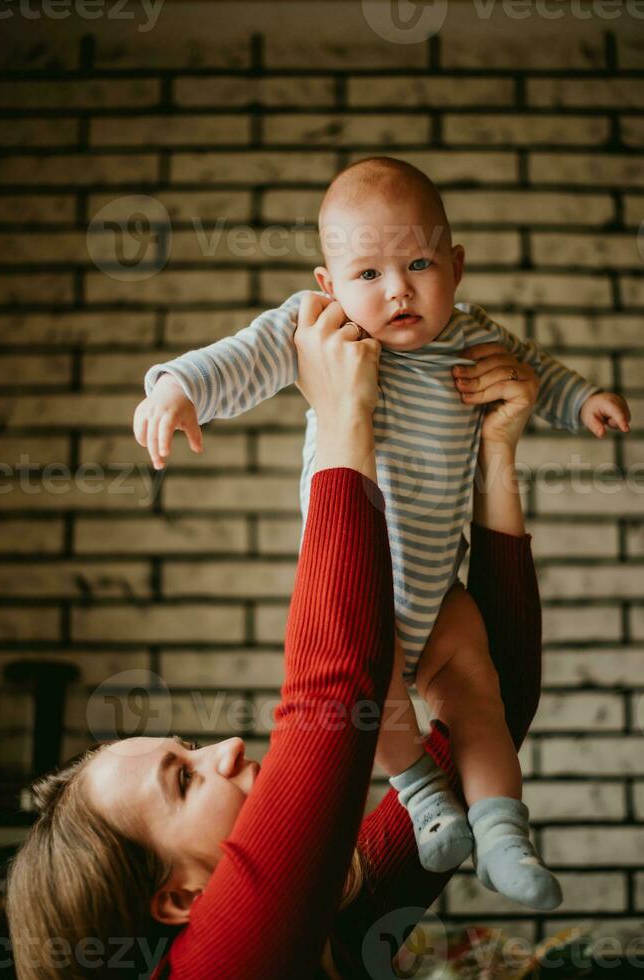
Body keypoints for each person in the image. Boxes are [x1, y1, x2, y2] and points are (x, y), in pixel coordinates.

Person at [133, 157, 631, 906]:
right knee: (377, 708)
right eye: (368, 272)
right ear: (330, 285)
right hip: (362, 586)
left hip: (440, 588)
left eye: (420, 262)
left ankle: (502, 833)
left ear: (456, 268)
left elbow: (535, 371)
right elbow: (244, 356)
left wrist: (583, 399)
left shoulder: (472, 338)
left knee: (480, 696)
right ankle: (424, 797)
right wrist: (177, 388)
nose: (398, 289)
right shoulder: (324, 326)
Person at [9, 296, 545, 980]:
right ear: (178, 898)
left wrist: (495, 448)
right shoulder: (220, 967)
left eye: (192, 750)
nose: (228, 749)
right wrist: (342, 416)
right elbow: (334, 689)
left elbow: (499, 694)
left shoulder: (335, 910)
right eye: (185, 779)